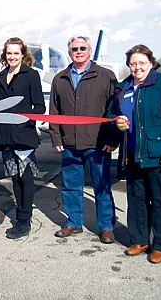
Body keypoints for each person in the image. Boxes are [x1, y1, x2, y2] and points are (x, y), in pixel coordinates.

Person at [108, 45, 161, 264]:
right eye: (133, 63)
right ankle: (139, 240)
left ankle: (159, 245)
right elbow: (111, 113)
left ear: (150, 63)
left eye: (142, 63)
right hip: (132, 154)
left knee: (159, 201)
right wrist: (117, 122)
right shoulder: (123, 87)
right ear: (128, 66)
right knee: (136, 200)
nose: (137, 67)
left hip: (158, 154)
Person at [49, 35, 117, 244]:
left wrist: (112, 138)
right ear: (69, 52)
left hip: (97, 142)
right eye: (74, 49)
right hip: (70, 143)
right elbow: (54, 111)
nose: (78, 52)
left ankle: (106, 227)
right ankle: (73, 222)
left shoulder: (106, 76)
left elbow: (114, 110)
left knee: (102, 185)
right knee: (70, 185)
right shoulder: (60, 79)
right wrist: (56, 137)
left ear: (89, 51)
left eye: (82, 48)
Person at [0, 37, 45, 239]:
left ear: (23, 55)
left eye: (16, 53)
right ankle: (20, 216)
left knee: (26, 178)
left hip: (23, 137)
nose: (12, 56)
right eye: (9, 53)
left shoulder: (31, 75)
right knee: (14, 178)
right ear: (5, 55)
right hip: (6, 137)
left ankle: (24, 220)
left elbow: (39, 106)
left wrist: (27, 122)